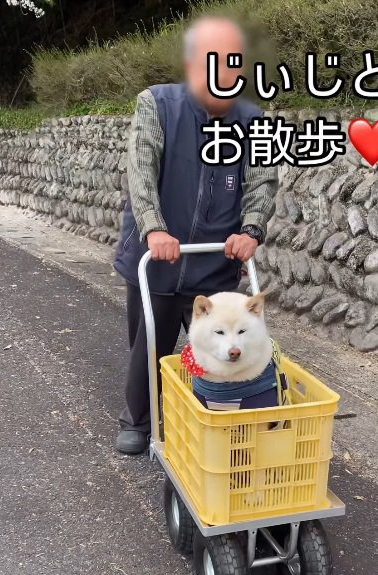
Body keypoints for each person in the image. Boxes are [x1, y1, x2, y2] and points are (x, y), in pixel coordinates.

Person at [114, 15, 278, 455]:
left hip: (214, 260)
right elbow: (141, 169)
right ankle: (140, 419)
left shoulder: (252, 118)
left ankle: (219, 420)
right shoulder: (158, 104)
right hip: (158, 256)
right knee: (150, 343)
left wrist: (251, 231)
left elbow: (262, 180)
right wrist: (154, 228)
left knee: (224, 349)